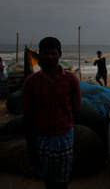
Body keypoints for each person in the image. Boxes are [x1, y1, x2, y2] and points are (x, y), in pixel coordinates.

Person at [22, 37, 81, 189]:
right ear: (39, 54)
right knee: (48, 181)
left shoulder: (71, 80)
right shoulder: (31, 82)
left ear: (59, 54)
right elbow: (27, 116)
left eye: (53, 53)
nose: (49, 57)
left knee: (63, 181)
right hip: (41, 139)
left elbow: (75, 110)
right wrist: (31, 148)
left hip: (64, 138)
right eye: (46, 53)